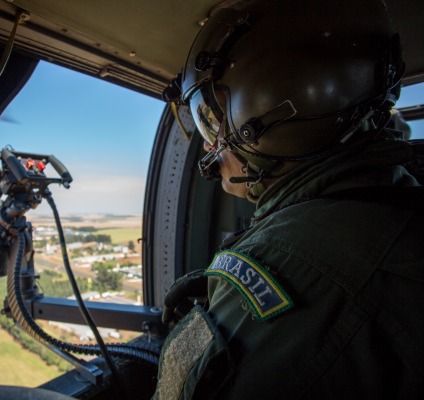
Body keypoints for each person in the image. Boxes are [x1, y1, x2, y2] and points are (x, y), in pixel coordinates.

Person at [154, 0, 423, 399]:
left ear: (259, 113)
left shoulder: (287, 262)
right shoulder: (398, 193)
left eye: (212, 119)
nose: (210, 144)